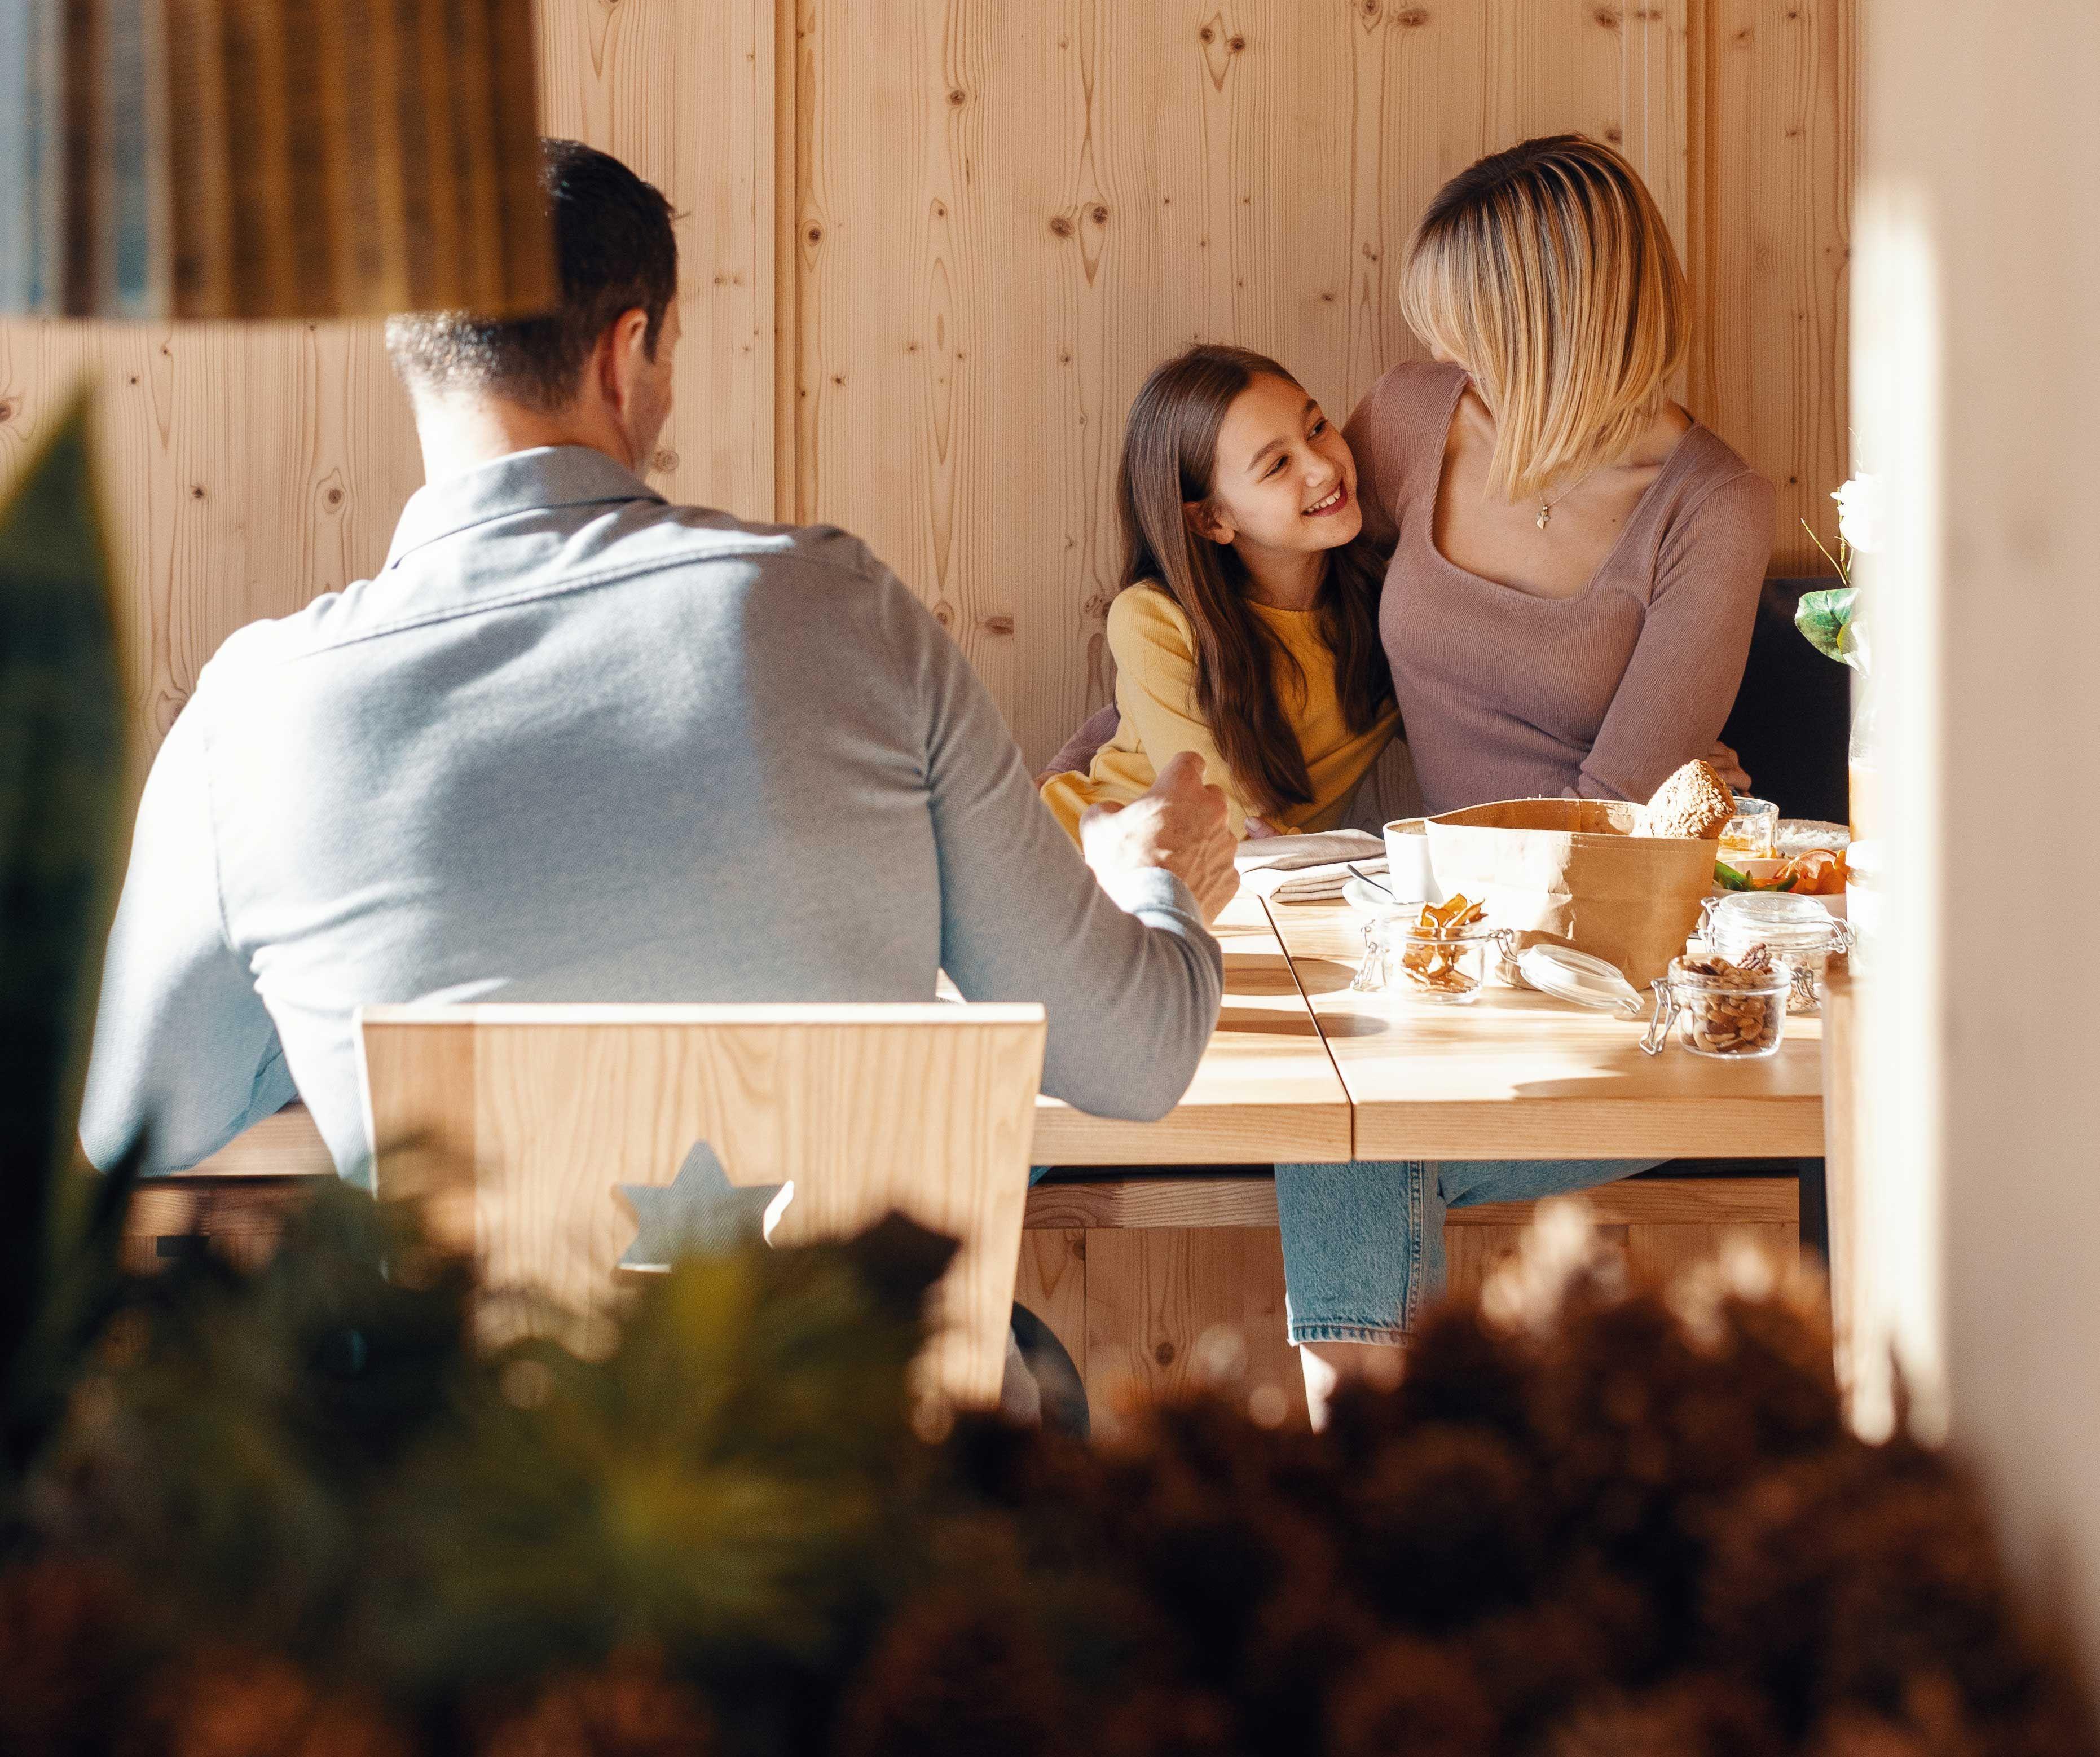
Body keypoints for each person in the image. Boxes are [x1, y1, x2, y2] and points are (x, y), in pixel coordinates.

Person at [81, 141, 1235, 1207]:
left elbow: (133, 1122)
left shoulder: (256, 710)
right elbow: (1127, 1056)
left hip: (483, 1429)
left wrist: (330, 1002)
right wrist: (1153, 875)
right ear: (625, 351)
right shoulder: (843, 615)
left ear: (418, 366)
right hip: (861, 1424)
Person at [1279, 133, 1776, 1413]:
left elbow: (1611, 833)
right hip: (1435, 968)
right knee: (1341, 1116)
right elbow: (1273, 607)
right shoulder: (1408, 419)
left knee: (1342, 1130)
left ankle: (1366, 1463)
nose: (1446, 357)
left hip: (1617, 995)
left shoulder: (1705, 508)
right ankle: (1385, 1467)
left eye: (1468, 329)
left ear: (1551, 327)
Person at [1040, 344, 1408, 845]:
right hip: (1077, 860)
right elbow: (1220, 821)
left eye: (1317, 428)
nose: (1322, 467)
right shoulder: (1154, 618)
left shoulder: (1394, 609)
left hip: (1248, 885)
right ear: (1212, 519)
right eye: (1278, 464)